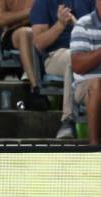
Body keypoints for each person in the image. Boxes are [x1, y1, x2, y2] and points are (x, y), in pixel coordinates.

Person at [30, 0, 95, 138]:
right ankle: (68, 120)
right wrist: (60, 25)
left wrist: (77, 24)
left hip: (89, 52)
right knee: (73, 58)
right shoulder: (43, 3)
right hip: (56, 56)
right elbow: (39, 43)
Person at [0, 0, 40, 93]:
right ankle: (35, 87)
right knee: (27, 33)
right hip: (16, 29)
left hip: (49, 25)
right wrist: (30, 12)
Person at [70, 1, 101, 145]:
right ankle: (94, 146)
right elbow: (78, 66)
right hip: (86, 84)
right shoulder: (83, 24)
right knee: (97, 84)